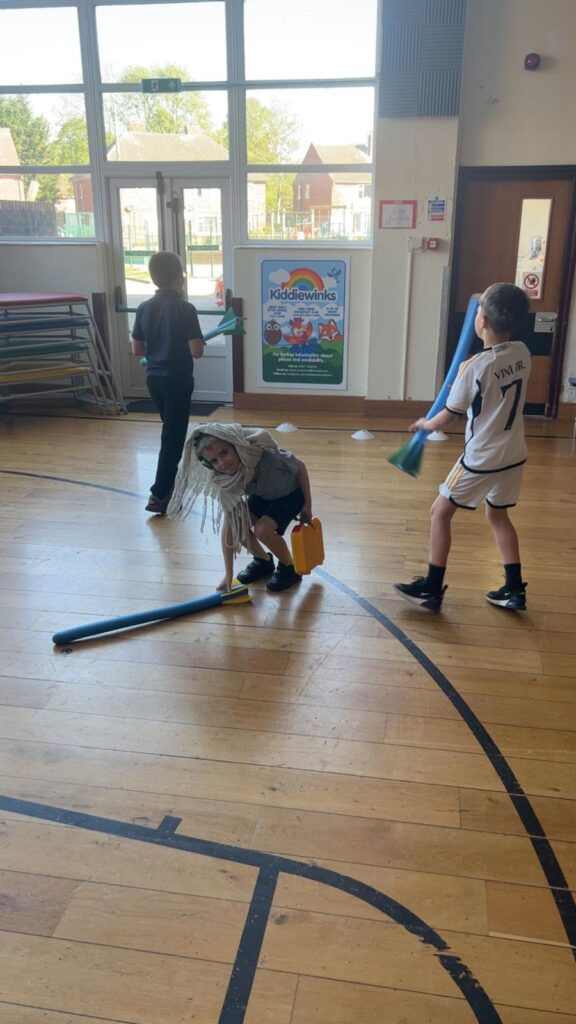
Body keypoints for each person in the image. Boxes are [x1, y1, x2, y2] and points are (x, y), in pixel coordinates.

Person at [395, 282, 531, 612]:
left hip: (481, 458)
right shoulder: (523, 353)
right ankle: (514, 590)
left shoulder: (473, 367)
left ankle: (432, 588)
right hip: (514, 455)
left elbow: (449, 417)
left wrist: (425, 424)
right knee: (498, 516)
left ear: (481, 321)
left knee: (440, 512)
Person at [168, 422, 312, 592]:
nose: (222, 463)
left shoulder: (267, 456)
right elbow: (229, 527)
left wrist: (308, 504)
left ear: (236, 446)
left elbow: (300, 467)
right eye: (214, 460)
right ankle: (263, 561)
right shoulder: (227, 480)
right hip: (264, 495)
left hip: (291, 493)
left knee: (262, 530)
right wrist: (228, 574)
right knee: (238, 524)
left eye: (224, 452)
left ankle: (289, 566)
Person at [131, 251, 205, 515]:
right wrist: (197, 342)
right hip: (178, 380)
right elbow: (196, 351)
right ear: (179, 278)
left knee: (170, 433)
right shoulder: (186, 309)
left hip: (154, 379)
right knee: (172, 438)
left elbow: (137, 349)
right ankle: (160, 494)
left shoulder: (144, 308)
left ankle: (168, 487)